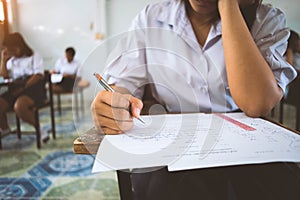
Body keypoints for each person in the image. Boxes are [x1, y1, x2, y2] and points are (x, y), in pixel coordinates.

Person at [91, 0, 300, 199]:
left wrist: (228, 6)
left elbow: (256, 103)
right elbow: (124, 85)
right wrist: (114, 103)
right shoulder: (151, 17)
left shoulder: (266, 19)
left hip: (243, 149)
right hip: (172, 148)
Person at [0, 32, 48, 141]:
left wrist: (24, 87)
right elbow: (4, 76)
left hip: (33, 89)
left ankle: (39, 129)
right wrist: (3, 60)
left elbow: (38, 75)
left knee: (19, 106)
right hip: (15, 89)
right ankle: (5, 128)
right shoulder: (11, 61)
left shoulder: (34, 56)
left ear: (19, 46)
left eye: (12, 49)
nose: (10, 52)